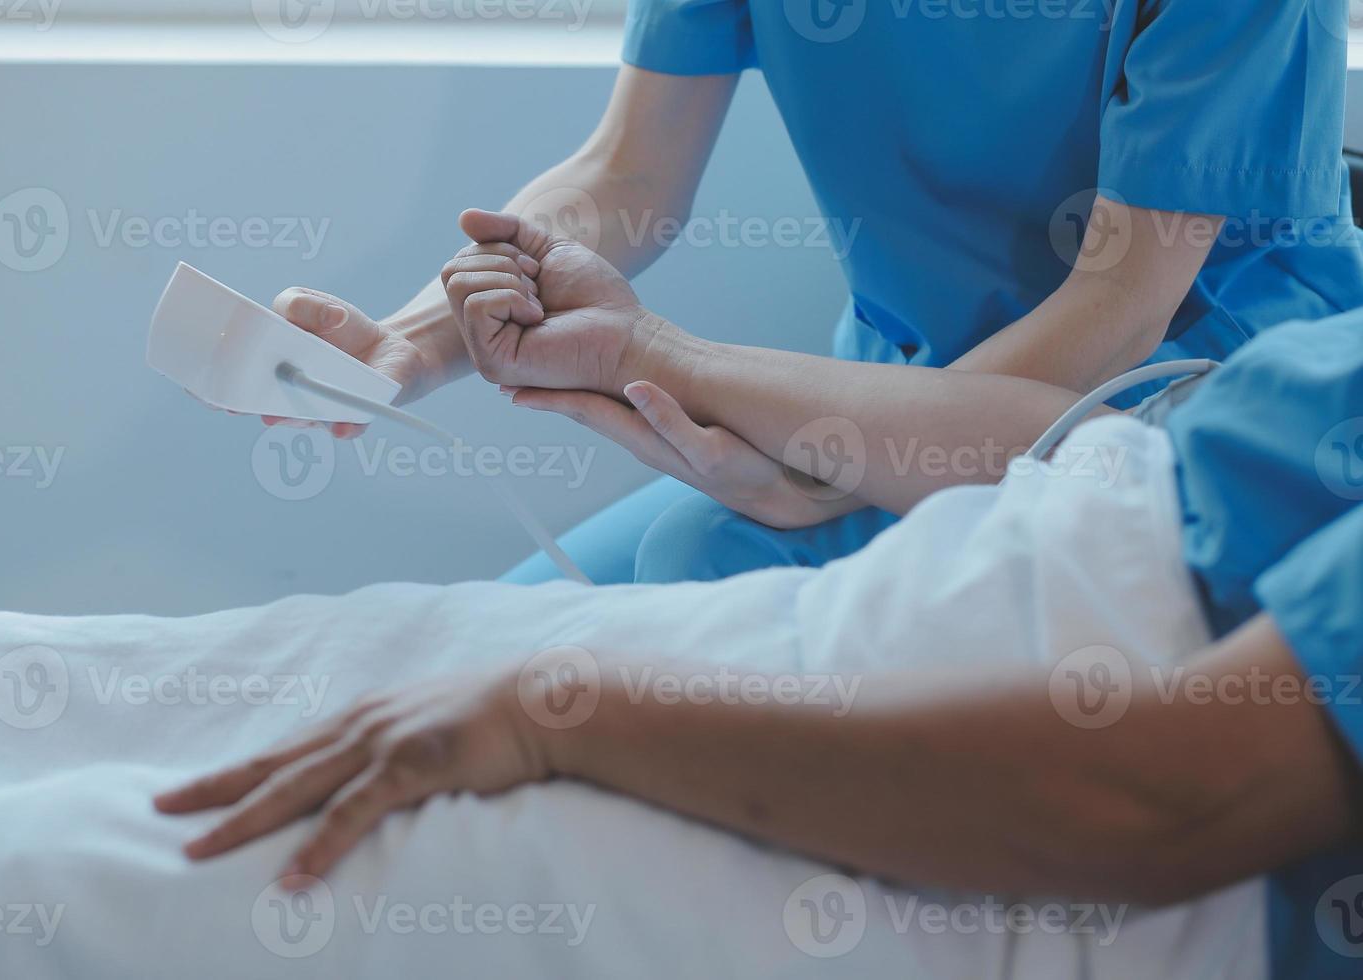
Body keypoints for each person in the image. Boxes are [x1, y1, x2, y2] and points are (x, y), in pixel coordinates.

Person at [160, 261, 1363, 975]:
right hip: (1028, 510)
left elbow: (1165, 793)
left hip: (1027, 689)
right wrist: (410, 346)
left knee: (175, 864)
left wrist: (565, 716)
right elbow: (622, 165)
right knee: (235, 691)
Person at [259, 0, 1363, 585]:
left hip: (1186, 412)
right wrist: (406, 345)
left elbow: (1118, 306)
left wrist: (837, 470)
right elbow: (625, 174)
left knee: (697, 567)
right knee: (504, 653)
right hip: (890, 389)